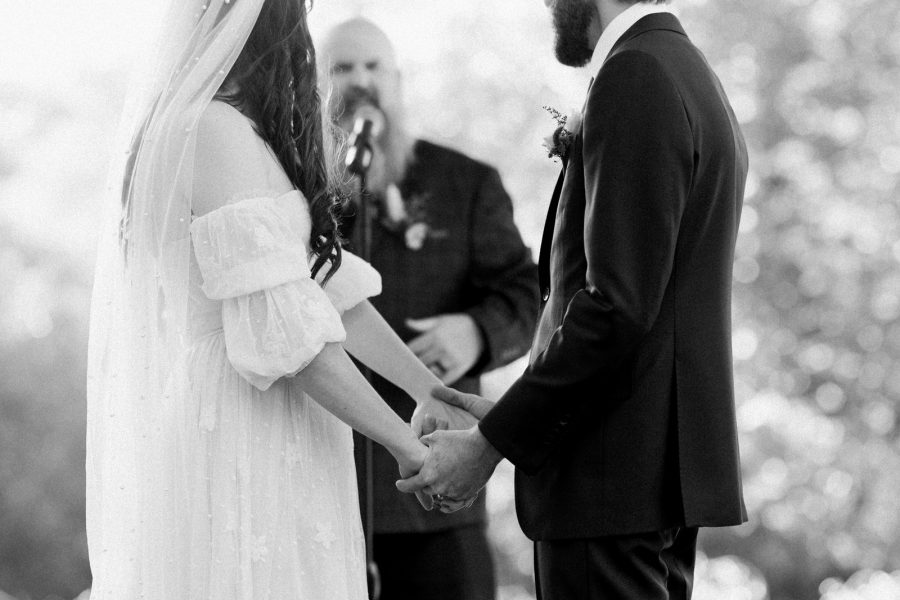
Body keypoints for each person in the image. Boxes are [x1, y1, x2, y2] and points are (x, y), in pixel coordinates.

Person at [86, 1, 468, 598]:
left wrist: (430, 391)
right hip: (247, 408)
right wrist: (407, 446)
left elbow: (324, 289)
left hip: (282, 407)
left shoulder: (237, 128)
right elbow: (292, 335)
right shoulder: (208, 128)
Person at [398, 1, 749, 599]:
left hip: (608, 489)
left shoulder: (636, 74)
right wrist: (516, 418)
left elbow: (613, 307)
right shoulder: (688, 71)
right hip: (646, 488)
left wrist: (491, 445)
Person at [318, 19, 539, 600]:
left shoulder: (465, 183)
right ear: (315, 83)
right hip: (320, 483)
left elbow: (526, 292)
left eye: (373, 67)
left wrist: (477, 331)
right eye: (341, 68)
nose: (360, 81)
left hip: (439, 492)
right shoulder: (298, 188)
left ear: (398, 81)